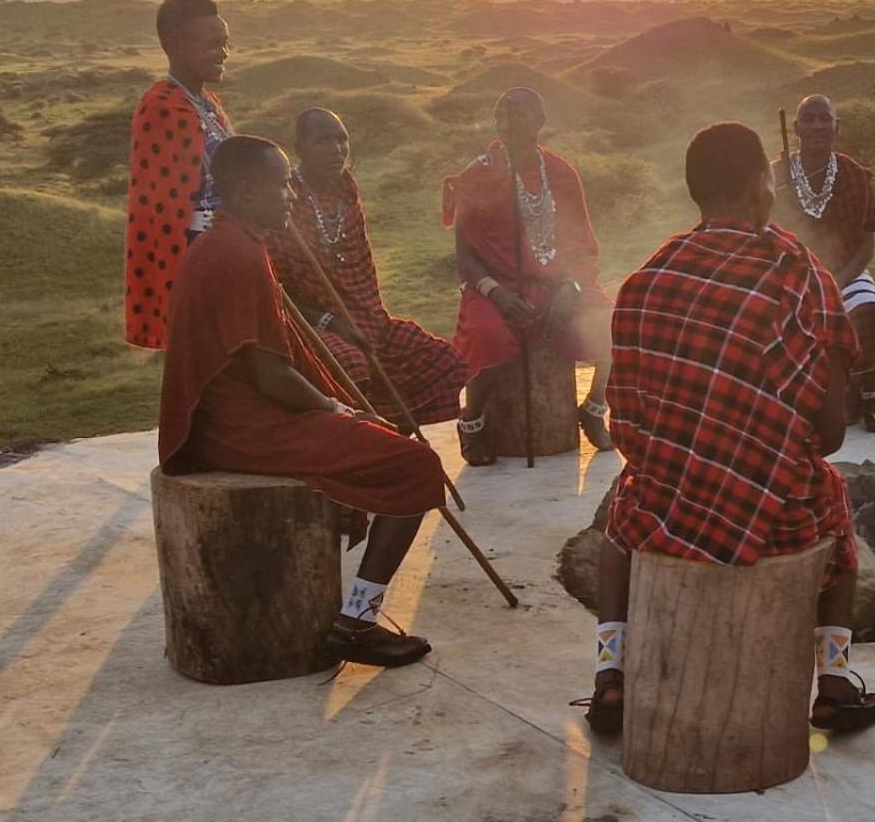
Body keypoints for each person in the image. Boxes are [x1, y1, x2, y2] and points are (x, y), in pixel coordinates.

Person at [585, 122, 875, 736]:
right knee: (833, 503)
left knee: (619, 517)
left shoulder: (646, 278)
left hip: (665, 507)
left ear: (697, 190)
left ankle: (610, 674)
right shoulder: (799, 277)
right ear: (759, 185)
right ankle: (832, 682)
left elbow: (627, 422)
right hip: (773, 516)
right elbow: (828, 437)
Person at [158, 135, 444, 667]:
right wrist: (337, 410)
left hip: (235, 417)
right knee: (417, 466)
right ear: (245, 190)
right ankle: (357, 622)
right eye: (281, 182)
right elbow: (268, 374)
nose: (290, 193)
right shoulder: (237, 255)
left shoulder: (230, 244)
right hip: (243, 428)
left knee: (388, 440)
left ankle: (356, 610)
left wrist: (344, 411)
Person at [442, 87, 613, 465]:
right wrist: (498, 294)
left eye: (520, 118)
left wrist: (569, 287)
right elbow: (465, 258)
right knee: (488, 335)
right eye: (503, 118)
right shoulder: (478, 175)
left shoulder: (560, 173)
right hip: (495, 288)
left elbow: (582, 246)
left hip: (559, 284)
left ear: (540, 122)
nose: (510, 127)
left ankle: (595, 407)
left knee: (611, 325)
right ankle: (473, 422)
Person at [268, 108, 466, 425]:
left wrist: (367, 322)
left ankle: (394, 437)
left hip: (367, 319)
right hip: (311, 326)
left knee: (445, 360)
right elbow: (275, 291)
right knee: (353, 367)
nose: (336, 150)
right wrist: (333, 321)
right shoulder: (285, 198)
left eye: (341, 139)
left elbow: (360, 271)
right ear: (299, 149)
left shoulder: (346, 190)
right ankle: (363, 440)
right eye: (322, 141)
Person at [771, 94, 875, 432]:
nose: (817, 126)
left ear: (837, 127)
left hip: (846, 273)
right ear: (795, 128)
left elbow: (867, 244)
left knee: (869, 313)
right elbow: (764, 233)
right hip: (791, 278)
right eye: (809, 119)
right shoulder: (775, 175)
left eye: (825, 119)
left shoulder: (854, 175)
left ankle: (871, 393)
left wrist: (835, 282)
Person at [124, 0, 237, 349]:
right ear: (175, 45)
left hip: (231, 247)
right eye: (213, 45)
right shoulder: (161, 106)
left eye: (226, 44)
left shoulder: (207, 102)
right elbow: (170, 208)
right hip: (198, 259)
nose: (224, 54)